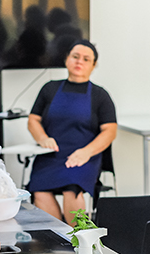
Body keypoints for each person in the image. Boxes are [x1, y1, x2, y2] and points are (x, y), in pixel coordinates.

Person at [26, 40, 117, 224]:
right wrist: (42, 138)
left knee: (72, 189)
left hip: (84, 155)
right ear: (67, 59)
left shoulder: (100, 95)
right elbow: (33, 120)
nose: (79, 62)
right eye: (75, 57)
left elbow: (110, 131)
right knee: (40, 191)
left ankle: (80, 240)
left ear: (93, 65)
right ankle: (59, 239)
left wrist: (86, 152)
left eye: (86, 59)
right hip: (52, 154)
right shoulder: (49, 88)